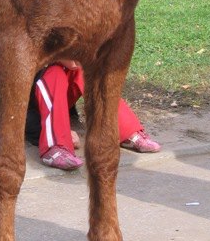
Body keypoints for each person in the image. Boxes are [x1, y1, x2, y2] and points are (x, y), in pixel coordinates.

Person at [25, 61, 161, 170]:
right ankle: (54, 146)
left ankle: (127, 132)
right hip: (26, 106)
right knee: (55, 73)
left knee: (85, 70)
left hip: (58, 99)